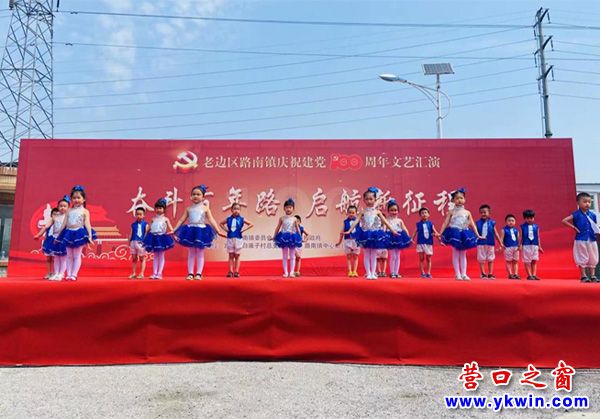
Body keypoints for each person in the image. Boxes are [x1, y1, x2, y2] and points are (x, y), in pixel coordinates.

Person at [346, 187, 399, 280]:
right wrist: (349, 230)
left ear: (375, 200)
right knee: (367, 254)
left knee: (373, 254)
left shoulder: (377, 211)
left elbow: (385, 222)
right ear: (364, 200)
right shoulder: (362, 212)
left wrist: (393, 230)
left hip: (375, 235)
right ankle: (368, 273)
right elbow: (356, 221)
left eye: (371, 199)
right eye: (367, 199)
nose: (369, 201)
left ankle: (373, 273)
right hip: (365, 234)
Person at [173, 185, 221, 280]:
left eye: (198, 194)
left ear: (203, 197)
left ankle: (199, 273)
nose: (196, 196)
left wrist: (218, 230)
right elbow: (181, 220)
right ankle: (190, 273)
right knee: (191, 252)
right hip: (191, 230)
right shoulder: (188, 209)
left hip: (201, 231)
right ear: (191, 196)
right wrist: (174, 229)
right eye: (194, 194)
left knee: (200, 252)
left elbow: (211, 219)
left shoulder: (205, 208)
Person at [54, 185, 97, 281]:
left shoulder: (85, 211)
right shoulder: (69, 210)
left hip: (79, 233)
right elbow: (64, 224)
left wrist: (90, 236)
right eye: (74, 198)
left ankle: (74, 274)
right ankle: (68, 274)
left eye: (78, 198)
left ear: (83, 199)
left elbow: (87, 224)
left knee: (77, 255)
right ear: (71, 199)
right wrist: (58, 236)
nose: (76, 200)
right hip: (68, 233)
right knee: (69, 256)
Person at [440, 188, 482, 281]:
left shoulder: (467, 212)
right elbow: (445, 223)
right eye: (457, 198)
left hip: (464, 234)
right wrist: (440, 233)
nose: (459, 200)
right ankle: (457, 274)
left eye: (461, 198)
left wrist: (478, 235)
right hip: (454, 234)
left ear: (464, 199)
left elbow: (472, 224)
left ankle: (464, 274)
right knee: (455, 253)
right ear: (453, 200)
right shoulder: (451, 211)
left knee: (463, 254)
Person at [562, 192, 599, 282]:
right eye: (585, 202)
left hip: (591, 238)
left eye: (589, 202)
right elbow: (564, 220)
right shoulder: (576, 214)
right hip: (581, 239)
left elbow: (594, 225)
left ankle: (593, 275)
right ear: (578, 203)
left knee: (593, 256)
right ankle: (583, 275)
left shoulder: (593, 215)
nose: (587, 204)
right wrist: (574, 227)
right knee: (582, 255)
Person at [219, 202, 254, 278]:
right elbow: (221, 223)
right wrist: (226, 230)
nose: (236, 210)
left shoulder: (242, 219)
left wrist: (244, 230)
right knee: (231, 255)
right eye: (234, 209)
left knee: (237, 256)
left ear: (240, 210)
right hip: (230, 238)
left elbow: (251, 224)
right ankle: (230, 271)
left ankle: (236, 272)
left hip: (238, 238)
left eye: (238, 209)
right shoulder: (228, 219)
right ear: (231, 210)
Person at [143, 198, 175, 279]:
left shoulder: (166, 219)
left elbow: (171, 228)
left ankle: (159, 273)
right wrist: (144, 237)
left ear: (164, 209)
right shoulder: (153, 219)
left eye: (160, 208)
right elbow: (148, 229)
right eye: (157, 208)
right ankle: (154, 273)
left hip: (162, 238)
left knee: (161, 256)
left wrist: (172, 233)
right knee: (155, 256)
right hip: (153, 237)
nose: (158, 210)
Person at [273, 198, 303, 278]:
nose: (288, 209)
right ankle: (286, 272)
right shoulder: (282, 218)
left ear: (293, 209)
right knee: (285, 256)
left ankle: (292, 272)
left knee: (292, 256)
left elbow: (297, 228)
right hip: (283, 237)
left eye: (290, 207)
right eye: (287, 207)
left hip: (292, 237)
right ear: (284, 208)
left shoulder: (294, 219)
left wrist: (300, 237)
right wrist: (274, 236)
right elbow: (278, 227)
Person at [411, 207, 442, 278]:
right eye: (422, 213)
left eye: (425, 213)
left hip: (428, 243)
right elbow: (415, 232)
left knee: (428, 258)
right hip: (420, 243)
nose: (424, 214)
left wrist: (440, 240)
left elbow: (435, 232)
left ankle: (428, 273)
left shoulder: (430, 224)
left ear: (428, 214)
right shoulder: (418, 224)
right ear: (420, 215)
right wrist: (412, 239)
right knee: (421, 259)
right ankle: (422, 273)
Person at [385, 199, 411, 278]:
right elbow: (384, 229)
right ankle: (392, 272)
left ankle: (396, 272)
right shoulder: (387, 220)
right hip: (391, 238)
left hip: (399, 238)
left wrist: (408, 237)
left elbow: (404, 228)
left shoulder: (399, 220)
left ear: (398, 211)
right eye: (391, 210)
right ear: (388, 211)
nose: (394, 212)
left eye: (395, 210)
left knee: (397, 256)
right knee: (393, 256)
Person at [476, 204, 502, 279]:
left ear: (489, 212)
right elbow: (475, 232)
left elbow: (496, 233)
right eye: (481, 212)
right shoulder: (477, 223)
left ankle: (490, 273)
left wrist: (500, 243)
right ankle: (483, 273)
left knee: (491, 258)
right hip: (481, 243)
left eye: (485, 212)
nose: (483, 214)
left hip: (490, 243)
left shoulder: (492, 223)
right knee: (481, 259)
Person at [34, 207, 59, 279]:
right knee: (48, 259)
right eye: (54, 214)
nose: (56, 216)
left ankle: (56, 273)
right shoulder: (49, 224)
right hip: (48, 243)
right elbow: (44, 229)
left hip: (56, 243)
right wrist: (38, 235)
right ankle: (48, 273)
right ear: (51, 215)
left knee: (55, 259)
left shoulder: (61, 224)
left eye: (58, 215)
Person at [335, 205, 361, 277]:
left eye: (353, 213)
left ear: (356, 213)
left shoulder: (358, 221)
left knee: (355, 257)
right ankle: (350, 271)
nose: (351, 214)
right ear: (347, 213)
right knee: (348, 257)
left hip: (356, 241)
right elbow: (341, 232)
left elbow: (361, 231)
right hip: (348, 241)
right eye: (350, 212)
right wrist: (339, 242)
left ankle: (355, 271)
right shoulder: (345, 222)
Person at [520, 209, 543, 280]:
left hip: (534, 245)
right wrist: (520, 245)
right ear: (525, 218)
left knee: (534, 260)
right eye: (528, 218)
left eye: (531, 218)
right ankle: (529, 275)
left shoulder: (536, 226)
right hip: (526, 245)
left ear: (534, 218)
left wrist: (539, 246)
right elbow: (521, 236)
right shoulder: (522, 226)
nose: (530, 219)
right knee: (527, 261)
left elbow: (538, 236)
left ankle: (534, 275)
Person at [129, 207, 148, 279]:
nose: (138, 216)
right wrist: (129, 242)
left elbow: (146, 233)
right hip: (133, 242)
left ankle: (141, 273)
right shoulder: (133, 224)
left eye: (140, 214)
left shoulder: (145, 224)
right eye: (137, 214)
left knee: (142, 258)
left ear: (144, 215)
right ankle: (133, 273)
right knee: (134, 258)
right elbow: (130, 234)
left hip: (141, 242)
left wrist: (144, 241)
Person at [500, 214, 520, 279]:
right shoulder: (504, 230)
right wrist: (501, 246)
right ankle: (510, 274)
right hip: (508, 247)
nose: (511, 222)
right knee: (508, 261)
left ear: (515, 222)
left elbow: (519, 239)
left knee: (515, 261)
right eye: (509, 221)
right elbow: (501, 239)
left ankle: (516, 274)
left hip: (516, 247)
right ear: (506, 222)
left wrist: (520, 245)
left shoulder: (516, 230)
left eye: (512, 221)